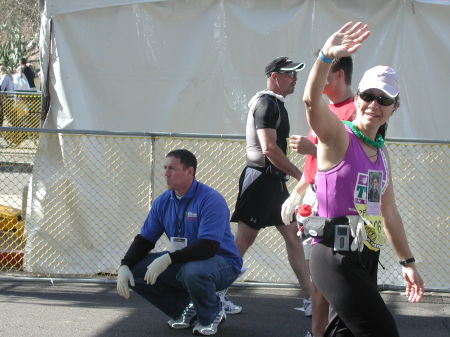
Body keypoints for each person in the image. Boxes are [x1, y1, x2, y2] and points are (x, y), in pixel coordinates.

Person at [301, 22, 424, 336]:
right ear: (356, 98)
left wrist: (407, 262)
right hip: (334, 256)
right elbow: (312, 102)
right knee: (380, 331)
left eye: (384, 100)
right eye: (369, 95)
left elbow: (390, 213)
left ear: (394, 108)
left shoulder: (382, 155)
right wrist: (326, 57)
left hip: (367, 254)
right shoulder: (339, 137)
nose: (374, 105)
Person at [116, 149, 243, 336]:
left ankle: (212, 313)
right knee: (135, 270)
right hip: (184, 260)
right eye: (165, 168)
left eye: (172, 169)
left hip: (222, 262)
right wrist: (125, 264)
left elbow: (208, 246)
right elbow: (145, 239)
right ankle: (185, 309)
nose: (166, 174)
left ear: (190, 171)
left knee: (193, 271)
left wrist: (168, 259)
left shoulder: (211, 200)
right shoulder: (163, 201)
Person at [230, 56, 313, 315]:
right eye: (290, 74)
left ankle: (312, 299)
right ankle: (211, 295)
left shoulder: (275, 103)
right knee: (244, 240)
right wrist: (302, 175)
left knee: (293, 237)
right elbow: (268, 148)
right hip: (260, 181)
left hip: (274, 183)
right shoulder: (267, 103)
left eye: (296, 74)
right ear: (275, 76)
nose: (295, 79)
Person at [282, 55, 356, 337]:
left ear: (337, 74)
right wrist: (298, 192)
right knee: (318, 280)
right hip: (316, 201)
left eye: (322, 71)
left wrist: (312, 149)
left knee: (338, 278)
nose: (315, 79)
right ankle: (316, 334)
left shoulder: (356, 110)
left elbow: (353, 159)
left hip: (340, 207)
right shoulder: (324, 110)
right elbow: (314, 166)